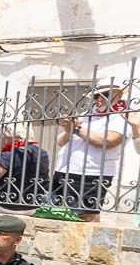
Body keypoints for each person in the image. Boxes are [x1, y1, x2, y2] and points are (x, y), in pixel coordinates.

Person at [52, 83, 129, 221]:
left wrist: (76, 129)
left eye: (105, 95)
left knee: (85, 217)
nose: (99, 99)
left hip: (90, 176)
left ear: (118, 96)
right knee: (54, 213)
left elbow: (107, 141)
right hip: (63, 171)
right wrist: (68, 129)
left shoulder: (121, 117)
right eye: (96, 96)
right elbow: (61, 141)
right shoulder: (86, 115)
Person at [0, 128, 50, 211]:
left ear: (10, 138)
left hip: (7, 206)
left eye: (1, 137)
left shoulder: (7, 156)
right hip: (34, 206)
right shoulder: (42, 153)